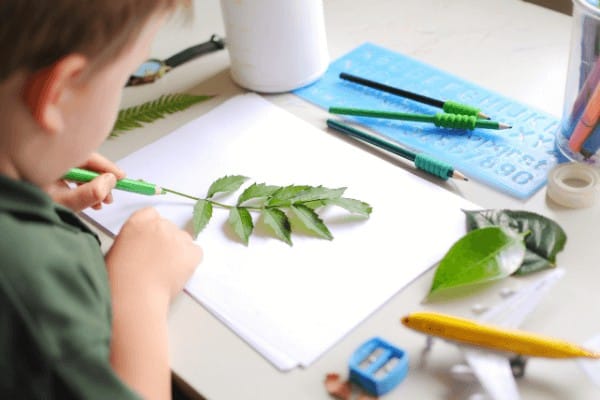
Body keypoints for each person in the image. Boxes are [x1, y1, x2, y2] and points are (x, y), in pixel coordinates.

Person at [0, 1, 203, 399]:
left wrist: (32, 182)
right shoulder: (29, 281)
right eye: (128, 77)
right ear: (58, 93)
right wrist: (138, 293)